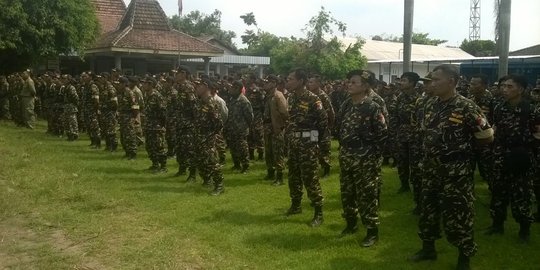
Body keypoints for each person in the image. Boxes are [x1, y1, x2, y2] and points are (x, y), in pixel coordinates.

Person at [411, 64, 494, 270]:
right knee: (428, 210)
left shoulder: (466, 106)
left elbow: (486, 135)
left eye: (437, 79)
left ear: (451, 81)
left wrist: (462, 151)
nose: (433, 83)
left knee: (459, 213)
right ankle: (428, 248)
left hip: (456, 170)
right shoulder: (431, 104)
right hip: (431, 168)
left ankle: (463, 258)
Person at [335, 70, 387, 247]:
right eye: (349, 82)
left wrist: (372, 156)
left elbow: (382, 134)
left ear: (365, 86)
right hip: (347, 155)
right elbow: (340, 127)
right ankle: (351, 224)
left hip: (365, 158)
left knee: (367, 195)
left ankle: (372, 231)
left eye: (354, 82)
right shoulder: (347, 104)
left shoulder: (372, 106)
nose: (349, 84)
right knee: (347, 192)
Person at [486, 74, 539, 242]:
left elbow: (538, 135)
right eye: (503, 86)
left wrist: (526, 148)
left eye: (510, 87)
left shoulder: (530, 110)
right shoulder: (500, 107)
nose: (504, 89)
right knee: (498, 191)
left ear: (521, 89)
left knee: (521, 194)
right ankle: (497, 224)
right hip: (500, 155)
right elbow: (495, 127)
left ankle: (524, 229)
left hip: (521, 156)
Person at [284, 68, 328, 227]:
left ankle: (319, 212)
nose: (287, 82)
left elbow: (323, 124)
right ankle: (296, 205)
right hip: (294, 143)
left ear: (301, 81)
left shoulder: (313, 99)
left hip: (308, 144)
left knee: (310, 178)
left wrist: (315, 144)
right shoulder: (291, 97)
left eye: (290, 79)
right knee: (293, 176)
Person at [194, 77, 225, 195]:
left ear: (206, 86)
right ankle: (207, 180)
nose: (197, 87)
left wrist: (211, 136)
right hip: (198, 136)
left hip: (208, 137)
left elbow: (218, 123)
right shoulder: (199, 102)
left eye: (200, 85)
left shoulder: (211, 102)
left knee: (212, 161)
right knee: (200, 160)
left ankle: (219, 185)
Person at [395, 72, 422, 196]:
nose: (401, 83)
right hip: (402, 135)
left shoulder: (420, 99)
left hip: (415, 136)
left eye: (404, 80)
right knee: (402, 162)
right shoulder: (400, 97)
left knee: (415, 164)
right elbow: (396, 117)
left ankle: (417, 190)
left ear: (412, 83)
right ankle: (404, 185)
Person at [469, 74, 495, 188]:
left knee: (487, 169)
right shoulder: (470, 99)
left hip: (486, 141)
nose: (471, 86)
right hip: (471, 140)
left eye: (475, 84)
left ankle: (494, 191)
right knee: (469, 168)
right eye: (471, 83)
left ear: (484, 85)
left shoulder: (492, 100)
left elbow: (495, 121)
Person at [262, 75, 289, 185]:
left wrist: (281, 125)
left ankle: (280, 176)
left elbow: (284, 112)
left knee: (278, 152)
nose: (265, 84)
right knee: (268, 151)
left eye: (267, 82)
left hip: (276, 128)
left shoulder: (278, 96)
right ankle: (270, 172)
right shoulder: (268, 96)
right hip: (268, 127)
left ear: (273, 83)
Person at [307, 74, 335, 178]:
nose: (309, 84)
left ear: (318, 84)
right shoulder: (309, 96)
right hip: (313, 127)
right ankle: (314, 168)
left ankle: (326, 169)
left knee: (324, 148)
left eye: (312, 82)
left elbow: (331, 112)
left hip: (323, 127)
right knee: (314, 147)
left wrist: (330, 125)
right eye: (309, 82)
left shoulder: (323, 96)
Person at [173, 66, 198, 181]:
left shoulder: (188, 87)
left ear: (183, 74)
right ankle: (182, 169)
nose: (175, 75)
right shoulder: (178, 87)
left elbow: (194, 107)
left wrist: (194, 123)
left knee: (190, 149)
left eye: (176, 73)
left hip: (188, 125)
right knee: (180, 148)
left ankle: (192, 174)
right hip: (180, 123)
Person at [225, 80, 253, 173]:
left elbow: (249, 116)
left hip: (241, 129)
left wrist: (245, 127)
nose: (230, 90)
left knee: (242, 147)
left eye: (232, 88)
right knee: (233, 147)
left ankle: (246, 166)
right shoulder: (232, 99)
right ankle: (236, 164)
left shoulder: (244, 101)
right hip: (232, 128)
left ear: (237, 89)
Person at [141, 77, 167, 173]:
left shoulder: (157, 96)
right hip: (149, 125)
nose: (143, 85)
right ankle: (155, 164)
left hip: (157, 126)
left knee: (159, 146)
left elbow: (163, 112)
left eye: (145, 83)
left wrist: (162, 125)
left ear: (151, 84)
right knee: (149, 146)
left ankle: (163, 166)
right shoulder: (147, 95)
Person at [117, 77, 139, 160]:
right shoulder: (120, 93)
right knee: (123, 136)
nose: (118, 85)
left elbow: (135, 106)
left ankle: (133, 153)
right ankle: (127, 152)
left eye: (119, 83)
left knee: (130, 136)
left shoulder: (130, 93)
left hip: (128, 117)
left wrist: (134, 118)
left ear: (123, 84)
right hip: (122, 117)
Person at [244, 73, 265, 161]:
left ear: (252, 79)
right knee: (250, 135)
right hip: (250, 114)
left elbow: (263, 102)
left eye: (248, 78)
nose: (247, 80)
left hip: (257, 114)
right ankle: (251, 154)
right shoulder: (248, 90)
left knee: (258, 134)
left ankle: (260, 154)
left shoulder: (259, 90)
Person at [98, 73, 118, 152]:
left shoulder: (110, 88)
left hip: (110, 112)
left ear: (106, 78)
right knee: (105, 129)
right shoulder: (103, 87)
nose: (100, 79)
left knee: (111, 130)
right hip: (104, 111)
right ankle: (108, 145)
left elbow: (115, 102)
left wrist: (113, 111)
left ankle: (113, 146)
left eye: (102, 78)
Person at [81, 72, 101, 148]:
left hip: (92, 110)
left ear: (90, 77)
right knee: (89, 127)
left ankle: (97, 143)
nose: (83, 78)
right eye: (83, 77)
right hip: (87, 110)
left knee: (95, 127)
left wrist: (95, 110)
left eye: (85, 76)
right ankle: (93, 142)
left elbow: (96, 100)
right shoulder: (86, 86)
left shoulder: (93, 86)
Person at [61, 75, 79, 141]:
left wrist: (74, 104)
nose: (63, 80)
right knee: (66, 121)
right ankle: (69, 135)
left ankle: (74, 135)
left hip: (71, 106)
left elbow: (76, 98)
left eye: (65, 79)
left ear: (69, 80)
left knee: (72, 121)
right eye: (63, 79)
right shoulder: (64, 87)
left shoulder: (71, 88)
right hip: (66, 106)